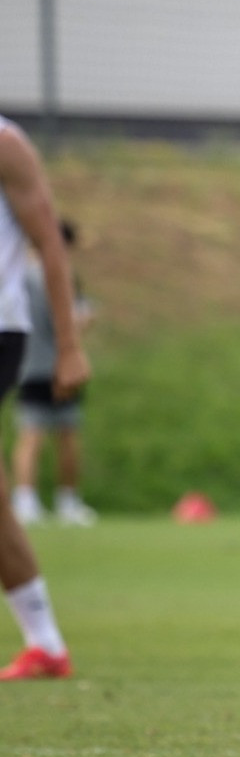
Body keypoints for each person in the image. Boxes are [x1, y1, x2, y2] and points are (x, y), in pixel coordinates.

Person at [0, 117, 91, 680]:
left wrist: (70, 346)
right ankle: (47, 644)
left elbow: (50, 244)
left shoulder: (5, 145)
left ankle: (46, 641)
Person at [10, 218, 97, 528]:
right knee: (63, 435)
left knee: (31, 435)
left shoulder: (17, 274)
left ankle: (25, 500)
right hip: (59, 365)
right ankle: (67, 501)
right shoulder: (55, 276)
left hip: (26, 364)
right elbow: (72, 319)